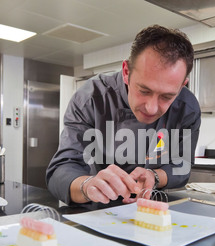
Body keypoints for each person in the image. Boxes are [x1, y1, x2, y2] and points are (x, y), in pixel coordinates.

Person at [46, 25, 201, 205]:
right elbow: (60, 170)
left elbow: (181, 166)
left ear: (182, 85)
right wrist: (88, 185)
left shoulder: (187, 108)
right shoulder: (91, 98)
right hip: (98, 208)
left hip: (152, 208)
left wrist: (154, 176)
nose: (151, 108)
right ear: (126, 72)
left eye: (167, 97)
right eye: (144, 90)